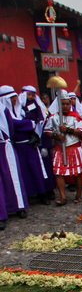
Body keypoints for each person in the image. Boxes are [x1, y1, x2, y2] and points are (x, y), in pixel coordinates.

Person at [45, 91, 82, 205]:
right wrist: (56, 135)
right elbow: (47, 131)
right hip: (60, 148)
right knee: (59, 173)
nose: (65, 106)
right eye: (62, 104)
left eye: (67, 104)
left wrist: (68, 130)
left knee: (78, 173)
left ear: (70, 104)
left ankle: (78, 195)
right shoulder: (54, 117)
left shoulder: (76, 117)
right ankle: (63, 197)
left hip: (74, 147)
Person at [0, 85, 28, 218]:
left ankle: (19, 206)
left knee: (12, 177)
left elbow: (10, 129)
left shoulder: (3, 110)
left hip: (5, 147)